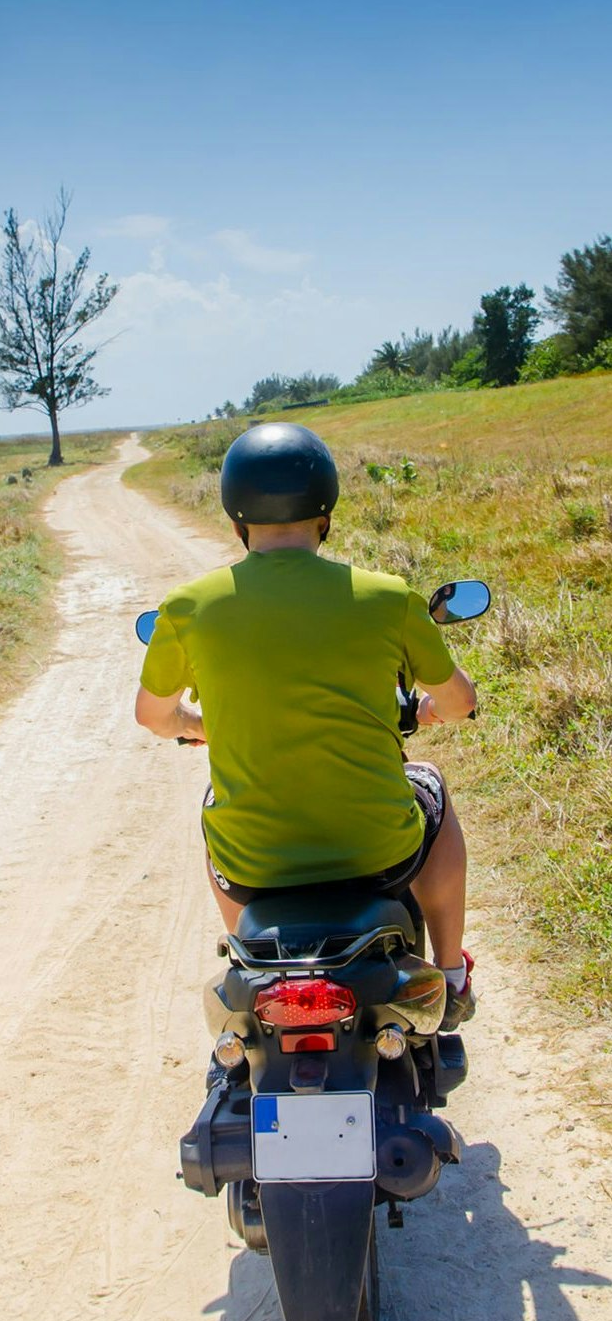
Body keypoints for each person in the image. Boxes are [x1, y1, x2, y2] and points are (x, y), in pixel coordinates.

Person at [132, 420, 478, 1027]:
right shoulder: (387, 596)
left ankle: (253, 963)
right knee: (433, 790)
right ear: (326, 513)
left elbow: (153, 716)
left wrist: (199, 722)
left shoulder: (187, 607)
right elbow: (459, 700)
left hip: (254, 866)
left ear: (237, 521)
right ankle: (450, 975)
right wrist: (427, 711)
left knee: (214, 808)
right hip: (381, 854)